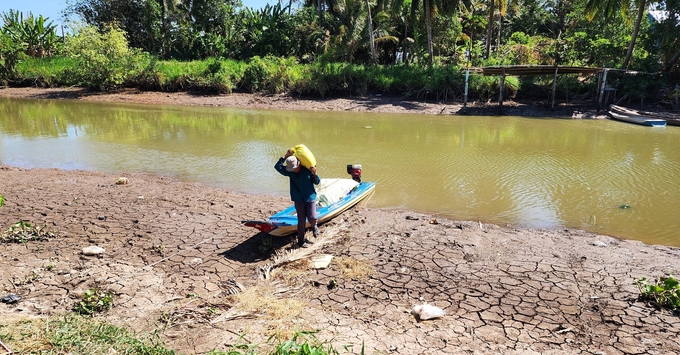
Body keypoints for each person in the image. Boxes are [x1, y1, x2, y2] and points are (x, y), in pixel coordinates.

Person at [275, 149, 320, 248]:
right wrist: (285, 157)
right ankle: (301, 241)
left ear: (299, 164)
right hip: (298, 198)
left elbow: (317, 182)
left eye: (294, 168)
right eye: (292, 169)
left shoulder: (308, 170)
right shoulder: (290, 172)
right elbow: (277, 167)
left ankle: (314, 227)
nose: (294, 170)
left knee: (312, 216)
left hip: (310, 196)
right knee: (301, 220)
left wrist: (315, 174)